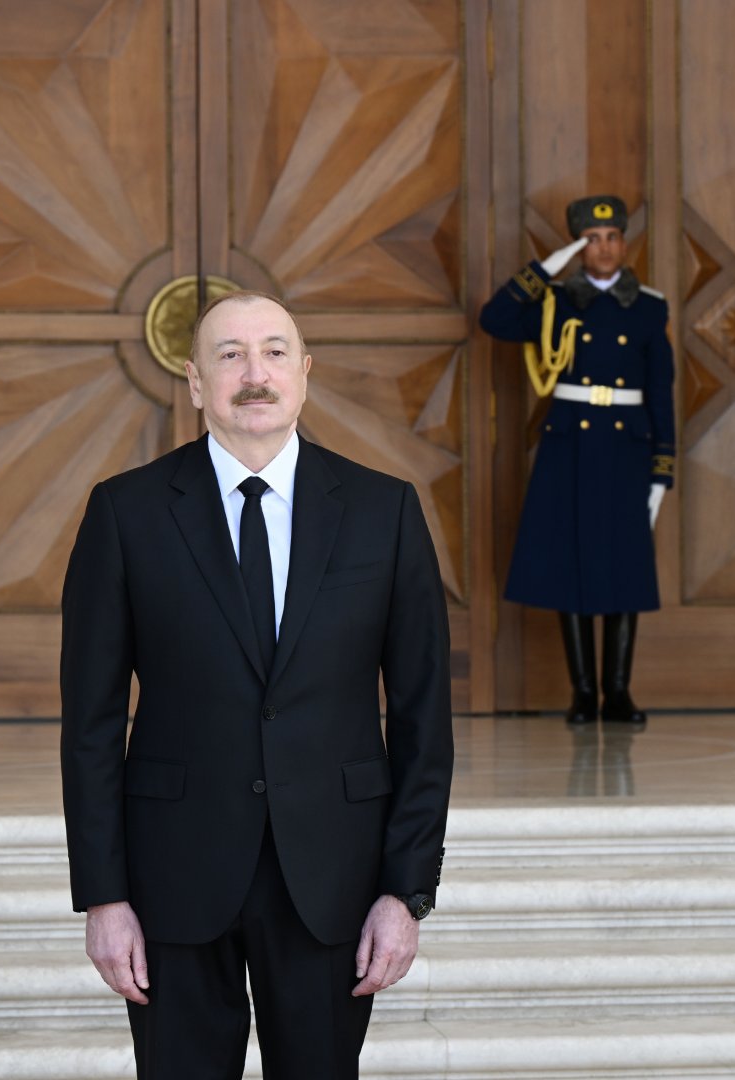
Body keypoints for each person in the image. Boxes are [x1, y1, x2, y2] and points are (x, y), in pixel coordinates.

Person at [60, 290, 454, 1079]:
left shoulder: (385, 511)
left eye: (274, 352)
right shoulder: (125, 513)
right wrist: (103, 896)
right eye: (230, 355)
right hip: (174, 878)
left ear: (305, 371)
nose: (254, 374)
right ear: (195, 381)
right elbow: (91, 724)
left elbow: (423, 718)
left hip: (333, 880)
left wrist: (406, 891)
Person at [478, 194, 675, 726]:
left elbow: (661, 391)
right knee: (570, 565)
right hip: (569, 446)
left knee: (625, 569)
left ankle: (619, 692)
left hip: (626, 448)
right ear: (578, 248)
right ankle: (583, 693)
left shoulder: (649, 306)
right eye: (591, 240)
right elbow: (495, 318)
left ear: (625, 244)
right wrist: (547, 268)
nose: (604, 248)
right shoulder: (556, 300)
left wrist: (663, 467)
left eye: (612, 238)